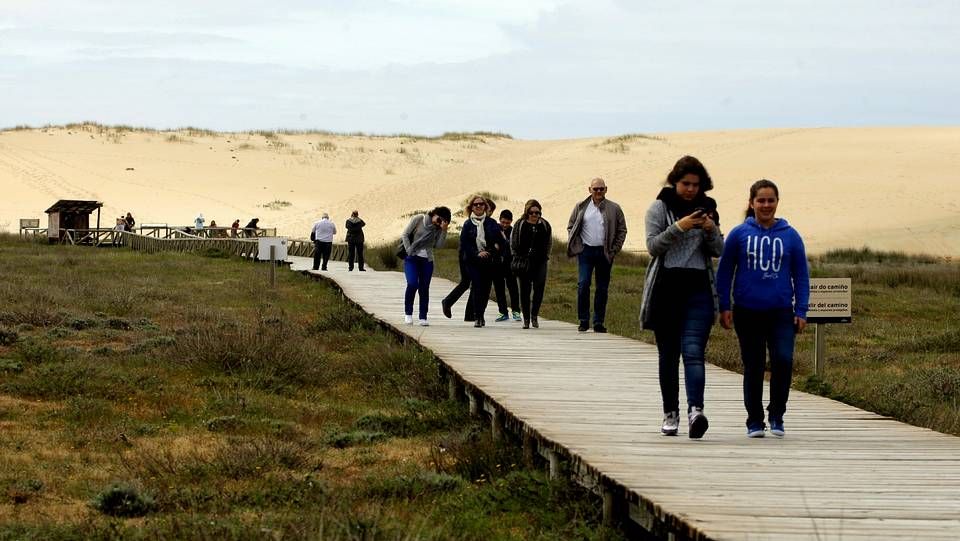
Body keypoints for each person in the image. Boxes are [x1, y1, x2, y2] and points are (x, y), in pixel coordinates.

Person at [716, 179, 810, 439]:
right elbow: (724, 273)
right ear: (752, 203)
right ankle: (754, 420)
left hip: (781, 312)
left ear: (777, 202)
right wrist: (724, 305)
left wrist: (801, 310)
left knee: (783, 360)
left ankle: (777, 414)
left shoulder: (790, 236)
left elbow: (801, 275)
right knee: (754, 365)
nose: (766, 205)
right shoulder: (739, 234)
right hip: (747, 311)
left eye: (771, 200)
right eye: (761, 200)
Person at [640, 156, 725, 439]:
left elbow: (718, 250)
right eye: (685, 184)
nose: (690, 189)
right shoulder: (659, 207)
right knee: (668, 356)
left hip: (698, 286)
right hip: (666, 287)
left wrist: (711, 230)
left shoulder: (709, 209)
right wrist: (681, 226)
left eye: (696, 185)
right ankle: (670, 413)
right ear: (674, 182)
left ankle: (696, 412)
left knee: (693, 352)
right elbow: (652, 246)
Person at [566, 177, 627, 333]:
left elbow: (622, 230)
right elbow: (571, 226)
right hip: (585, 251)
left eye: (601, 189)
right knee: (583, 284)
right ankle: (584, 320)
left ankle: (598, 322)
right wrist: (577, 245)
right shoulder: (581, 207)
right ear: (589, 190)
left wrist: (614, 249)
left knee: (602, 288)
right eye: (595, 189)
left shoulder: (615, 208)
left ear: (606, 189)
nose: (598, 191)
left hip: (605, 252)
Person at [441, 197, 496, 322]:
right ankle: (448, 302)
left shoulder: (486, 222)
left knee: (475, 284)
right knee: (468, 282)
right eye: (491, 210)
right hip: (467, 255)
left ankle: (469, 314)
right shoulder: (472, 222)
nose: (490, 213)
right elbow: (466, 242)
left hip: (476, 256)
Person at [459, 195, 506, 328]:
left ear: (485, 207)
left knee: (485, 290)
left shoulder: (491, 223)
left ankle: (481, 314)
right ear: (471, 207)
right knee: (477, 287)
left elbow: (501, 243)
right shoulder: (468, 224)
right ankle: (477, 317)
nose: (478, 206)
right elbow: (465, 244)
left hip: (489, 261)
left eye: (481, 204)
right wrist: (477, 253)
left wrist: (491, 251)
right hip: (473, 261)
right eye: (475, 204)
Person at [401, 206, 451, 326]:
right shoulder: (419, 219)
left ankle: (423, 316)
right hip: (412, 258)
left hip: (427, 260)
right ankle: (408, 313)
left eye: (443, 221)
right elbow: (405, 234)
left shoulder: (438, 229)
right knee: (412, 284)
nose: (439, 222)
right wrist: (409, 250)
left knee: (424, 288)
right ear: (434, 213)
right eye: (439, 219)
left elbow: (438, 246)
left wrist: (444, 230)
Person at [511, 199, 552, 329]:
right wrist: (516, 257)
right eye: (532, 212)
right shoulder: (520, 224)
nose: (535, 215)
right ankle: (526, 319)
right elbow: (513, 241)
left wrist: (546, 256)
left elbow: (549, 242)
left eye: (537, 212)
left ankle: (535, 316)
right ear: (527, 212)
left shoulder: (545, 225)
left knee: (539, 289)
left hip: (540, 262)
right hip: (524, 262)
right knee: (524, 290)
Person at [493, 209, 521, 322]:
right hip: (497, 264)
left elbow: (515, 247)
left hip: (510, 264)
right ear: (499, 220)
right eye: (503, 222)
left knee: (513, 288)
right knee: (499, 289)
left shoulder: (514, 232)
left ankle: (516, 311)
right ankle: (503, 312)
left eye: (507, 223)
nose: (505, 225)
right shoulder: (495, 230)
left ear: (511, 222)